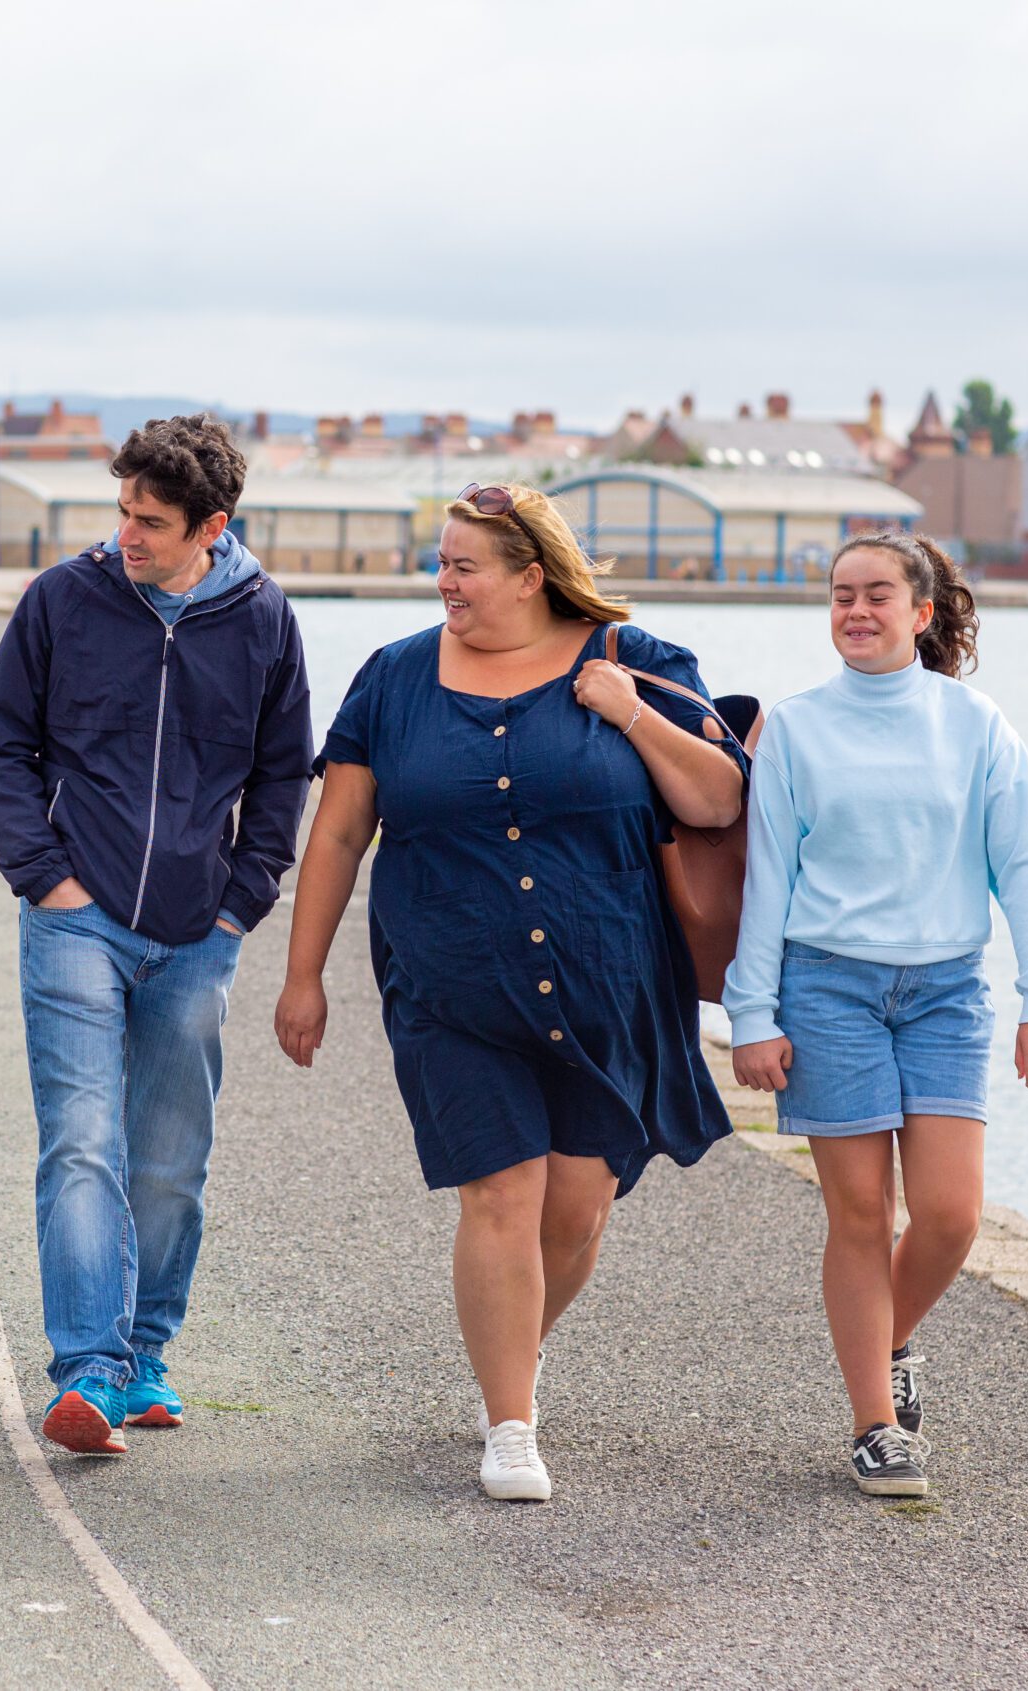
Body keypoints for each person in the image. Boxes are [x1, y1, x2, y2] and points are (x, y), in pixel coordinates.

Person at [274, 483, 745, 1503]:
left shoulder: (637, 663)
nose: (443, 583)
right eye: (439, 564)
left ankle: (505, 1352)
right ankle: (509, 1425)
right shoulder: (394, 680)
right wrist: (302, 975)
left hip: (608, 985)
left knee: (576, 1207)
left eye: (463, 566)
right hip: (450, 986)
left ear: (531, 575)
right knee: (500, 1191)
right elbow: (342, 834)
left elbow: (716, 797)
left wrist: (629, 718)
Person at [0, 413, 312, 1455]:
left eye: (152, 521)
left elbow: (284, 773)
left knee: (167, 1159)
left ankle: (146, 1353)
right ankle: (87, 1373)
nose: (128, 535)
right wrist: (46, 880)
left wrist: (240, 901)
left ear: (214, 525)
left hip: (196, 933)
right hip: (77, 919)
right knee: (82, 1141)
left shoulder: (262, 620)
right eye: (121, 511)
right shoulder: (62, 602)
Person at [724, 530, 1028, 1500]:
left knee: (952, 1216)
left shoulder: (973, 725)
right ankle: (876, 1424)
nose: (855, 611)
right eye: (841, 595)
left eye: (877, 594)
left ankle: (889, 1342)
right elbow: (769, 882)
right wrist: (751, 1013)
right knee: (862, 1213)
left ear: (921, 613)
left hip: (947, 993)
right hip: (826, 987)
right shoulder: (795, 728)